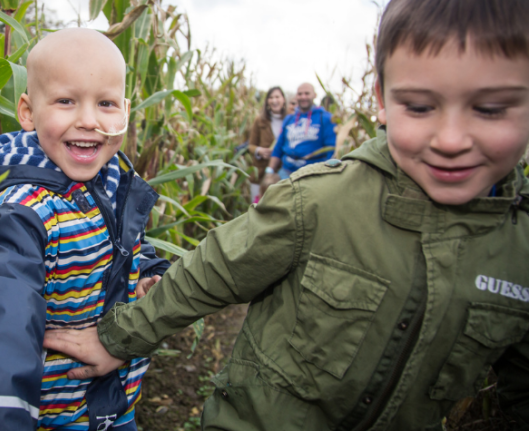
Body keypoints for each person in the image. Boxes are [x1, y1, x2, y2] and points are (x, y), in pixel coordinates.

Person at [42, 0, 529, 429]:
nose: (450, 140)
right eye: (420, 107)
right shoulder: (320, 201)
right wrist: (119, 338)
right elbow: (215, 270)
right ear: (381, 100)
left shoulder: (520, 249)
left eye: (489, 109)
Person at [0, 28, 170, 431]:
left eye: (105, 103)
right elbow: (0, 324)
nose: (88, 120)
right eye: (66, 101)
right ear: (28, 111)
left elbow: (125, 250)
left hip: (118, 405)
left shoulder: (111, 180)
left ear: (124, 109)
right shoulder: (22, 213)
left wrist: (152, 276)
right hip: (60, 415)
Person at [267, 83, 336, 179]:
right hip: (287, 171)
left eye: (307, 93)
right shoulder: (289, 119)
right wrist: (269, 171)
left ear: (314, 95)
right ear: (296, 96)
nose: (303, 97)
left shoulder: (325, 118)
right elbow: (278, 147)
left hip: (313, 173)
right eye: (300, 94)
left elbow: (331, 149)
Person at [247, 87, 287, 201]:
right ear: (267, 101)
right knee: (257, 205)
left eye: (277, 97)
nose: (274, 100)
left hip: (281, 173)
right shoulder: (259, 120)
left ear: (283, 99)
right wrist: (259, 151)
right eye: (271, 97)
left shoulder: (290, 120)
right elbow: (251, 146)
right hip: (260, 172)